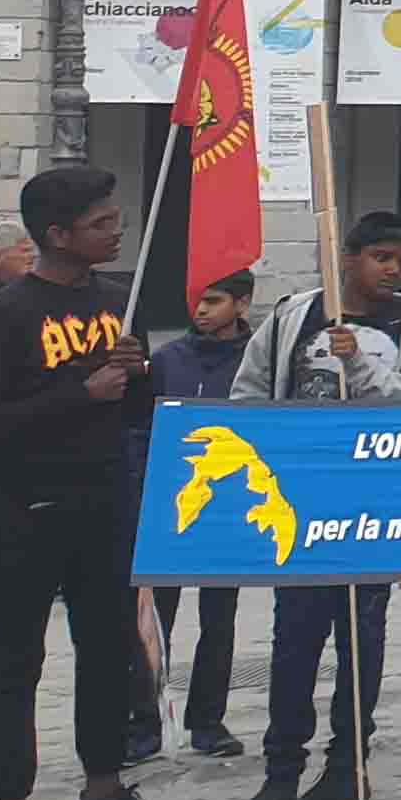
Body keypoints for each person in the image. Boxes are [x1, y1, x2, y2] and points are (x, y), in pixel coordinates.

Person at [0, 166, 177, 800]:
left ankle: (104, 791)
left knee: (110, 648)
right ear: (57, 235)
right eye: (101, 223)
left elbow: (136, 410)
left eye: (117, 218)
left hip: (106, 501)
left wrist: (139, 375)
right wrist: (80, 392)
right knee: (14, 657)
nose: (117, 231)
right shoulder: (4, 316)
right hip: (24, 509)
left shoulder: (122, 302)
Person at [236, 209, 401, 800]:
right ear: (348, 258)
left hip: (372, 503)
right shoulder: (294, 316)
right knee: (293, 639)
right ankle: (281, 769)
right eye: (381, 257)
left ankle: (348, 765)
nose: (393, 270)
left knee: (362, 637)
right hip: (301, 501)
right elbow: (251, 391)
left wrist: (361, 364)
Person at [132, 267, 255, 764]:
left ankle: (208, 719)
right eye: (198, 300)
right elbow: (140, 425)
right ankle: (144, 722)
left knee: (219, 617)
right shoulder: (168, 360)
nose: (202, 310)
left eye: (214, 300)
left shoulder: (255, 361)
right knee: (152, 618)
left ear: (241, 304)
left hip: (229, 507)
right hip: (169, 503)